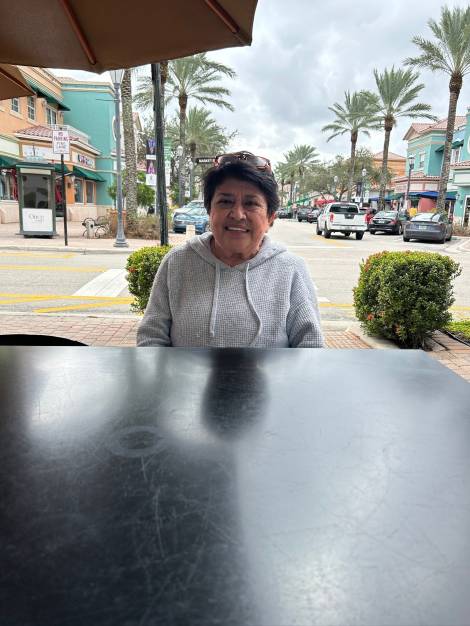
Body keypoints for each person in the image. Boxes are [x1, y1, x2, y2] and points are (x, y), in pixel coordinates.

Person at [137, 151, 324, 348]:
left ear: (270, 218)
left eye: (251, 203)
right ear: (209, 211)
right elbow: (151, 338)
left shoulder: (291, 269)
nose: (237, 214)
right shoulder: (177, 262)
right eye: (225, 202)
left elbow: (310, 346)